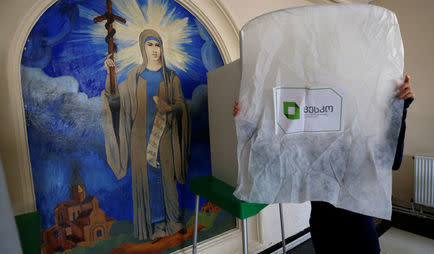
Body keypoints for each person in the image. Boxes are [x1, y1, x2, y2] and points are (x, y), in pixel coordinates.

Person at [233, 75, 414, 254]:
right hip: (324, 230)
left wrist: (398, 109)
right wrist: (248, 126)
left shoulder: (359, 134)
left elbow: (392, 161)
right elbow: (274, 158)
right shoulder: (311, 134)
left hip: (358, 232)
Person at [101, 29, 190, 240]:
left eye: (157, 44)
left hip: (166, 139)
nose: (154, 49)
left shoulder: (171, 78)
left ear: (162, 48)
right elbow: (116, 102)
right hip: (140, 141)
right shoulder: (134, 77)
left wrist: (170, 107)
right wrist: (110, 75)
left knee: (167, 181)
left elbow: (181, 106)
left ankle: (173, 223)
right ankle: (152, 228)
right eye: (150, 45)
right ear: (143, 48)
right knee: (147, 183)